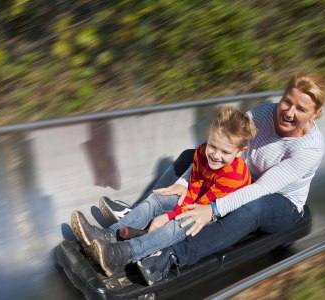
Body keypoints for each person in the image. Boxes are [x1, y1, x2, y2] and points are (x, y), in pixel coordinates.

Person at [101, 72, 325, 285]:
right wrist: (182, 183)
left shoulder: (309, 149)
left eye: (300, 109)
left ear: (315, 114)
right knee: (192, 156)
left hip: (279, 202)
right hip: (242, 180)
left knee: (251, 208)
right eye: (287, 101)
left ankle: (171, 255)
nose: (289, 112)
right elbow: (224, 144)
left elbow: (260, 189)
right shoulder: (262, 115)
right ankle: (140, 214)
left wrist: (212, 209)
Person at [70, 106, 257, 277]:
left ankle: (119, 255)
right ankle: (109, 235)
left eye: (225, 152)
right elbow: (196, 185)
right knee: (157, 199)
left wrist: (168, 217)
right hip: (199, 200)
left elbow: (202, 207)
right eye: (213, 146)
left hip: (216, 213)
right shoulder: (202, 152)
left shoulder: (234, 176)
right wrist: (173, 205)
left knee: (178, 225)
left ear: (240, 152)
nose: (216, 155)